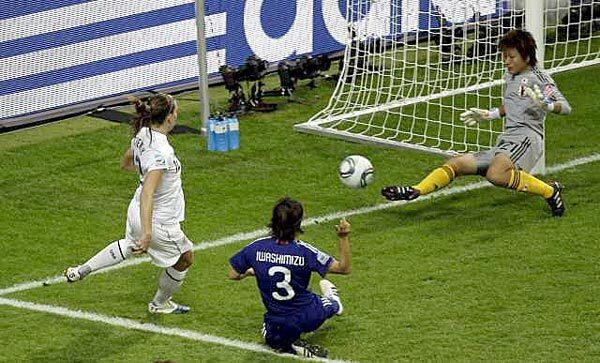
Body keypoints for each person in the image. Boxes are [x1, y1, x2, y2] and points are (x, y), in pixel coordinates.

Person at [382, 29, 572, 217]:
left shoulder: (539, 79)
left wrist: (547, 105)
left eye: (511, 57)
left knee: (496, 174)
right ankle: (415, 190)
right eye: (504, 56)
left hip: (527, 139)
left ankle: (550, 192)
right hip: (506, 140)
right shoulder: (511, 76)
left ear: (527, 57)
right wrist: (491, 114)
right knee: (457, 163)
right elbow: (513, 104)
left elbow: (565, 107)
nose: (506, 61)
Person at [64, 93, 194, 314]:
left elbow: (126, 162)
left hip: (135, 210)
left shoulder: (144, 134)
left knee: (129, 243)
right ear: (169, 118)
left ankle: (82, 269)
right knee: (185, 258)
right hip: (158, 219)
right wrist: (148, 232)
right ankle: (159, 304)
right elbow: (148, 194)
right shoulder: (163, 152)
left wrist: (148, 171)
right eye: (176, 111)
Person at [228, 197, 351, 358]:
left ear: (273, 221)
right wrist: (343, 237)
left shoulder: (255, 247)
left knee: (272, 338)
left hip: (277, 322)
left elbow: (233, 274)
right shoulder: (305, 252)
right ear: (298, 224)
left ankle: (291, 345)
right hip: (309, 316)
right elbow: (343, 268)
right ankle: (333, 300)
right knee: (331, 306)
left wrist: (253, 271)